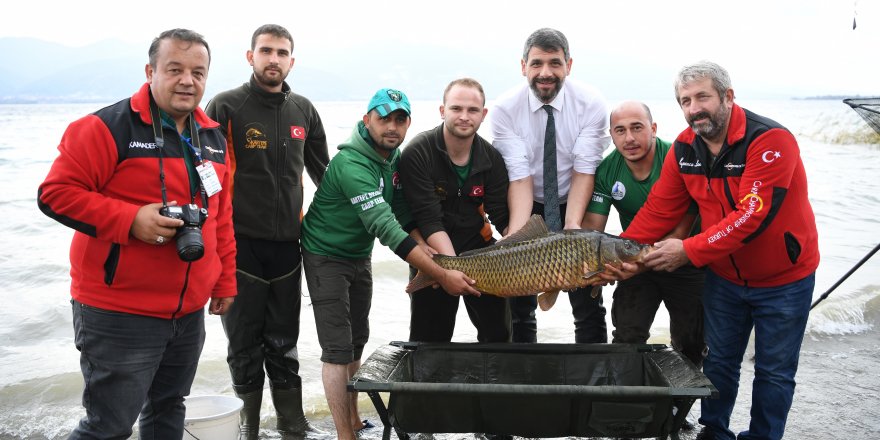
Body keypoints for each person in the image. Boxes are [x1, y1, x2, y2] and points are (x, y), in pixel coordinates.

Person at [37, 29, 236, 439]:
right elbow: (55, 194)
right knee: (107, 427)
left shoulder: (213, 136)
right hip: (118, 311)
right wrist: (130, 220)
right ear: (150, 71)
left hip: (187, 312)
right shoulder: (106, 127)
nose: (188, 81)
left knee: (167, 412)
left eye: (198, 73)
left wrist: (225, 280)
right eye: (175, 70)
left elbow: (221, 217)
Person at [604, 61, 819, 440]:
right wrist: (622, 256)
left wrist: (688, 250)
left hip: (784, 279)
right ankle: (714, 431)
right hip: (723, 276)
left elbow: (749, 215)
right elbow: (659, 210)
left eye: (702, 96)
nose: (693, 108)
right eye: (685, 101)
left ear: (728, 96)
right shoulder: (685, 147)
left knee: (774, 370)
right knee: (718, 362)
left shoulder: (770, 140)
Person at [300, 88, 480, 440]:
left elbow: (401, 212)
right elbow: (385, 228)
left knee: (357, 341)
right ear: (367, 120)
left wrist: (430, 250)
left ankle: (353, 420)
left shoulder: (392, 159)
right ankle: (344, 436)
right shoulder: (352, 164)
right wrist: (441, 274)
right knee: (337, 350)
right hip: (324, 255)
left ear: (409, 123)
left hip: (357, 255)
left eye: (400, 119)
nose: (392, 126)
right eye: (384, 118)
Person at [205, 24, 329, 439]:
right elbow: (204, 175)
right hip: (239, 247)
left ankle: (293, 426)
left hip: (287, 250)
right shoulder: (226, 106)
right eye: (266, 51)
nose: (273, 58)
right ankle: (249, 429)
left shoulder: (304, 111)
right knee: (244, 347)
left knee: (284, 343)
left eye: (281, 52)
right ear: (250, 56)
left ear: (291, 61)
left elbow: (325, 176)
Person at [490, 27, 611, 343]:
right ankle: (523, 374)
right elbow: (519, 177)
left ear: (569, 65)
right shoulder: (505, 108)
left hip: (575, 194)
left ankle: (592, 379)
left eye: (555, 63)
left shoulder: (591, 103)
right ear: (523, 67)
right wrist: (514, 236)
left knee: (587, 297)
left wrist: (573, 228)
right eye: (537, 63)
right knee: (520, 300)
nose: (546, 73)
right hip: (528, 199)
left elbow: (585, 169)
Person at [582, 101, 705, 367]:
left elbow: (685, 223)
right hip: (634, 256)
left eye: (637, 128)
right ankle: (628, 401)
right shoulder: (606, 171)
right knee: (627, 337)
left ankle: (679, 405)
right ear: (611, 136)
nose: (629, 138)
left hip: (684, 257)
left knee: (691, 342)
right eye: (620, 130)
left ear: (653, 129)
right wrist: (597, 267)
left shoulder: (678, 156)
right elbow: (592, 229)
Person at [400, 78, 511, 343]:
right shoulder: (418, 152)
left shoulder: (491, 157)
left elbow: (501, 214)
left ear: (483, 115)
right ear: (442, 111)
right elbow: (428, 219)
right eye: (456, 108)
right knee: (429, 342)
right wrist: (449, 271)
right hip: (434, 253)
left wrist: (514, 239)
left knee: (499, 337)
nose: (464, 116)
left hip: (482, 251)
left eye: (472, 110)